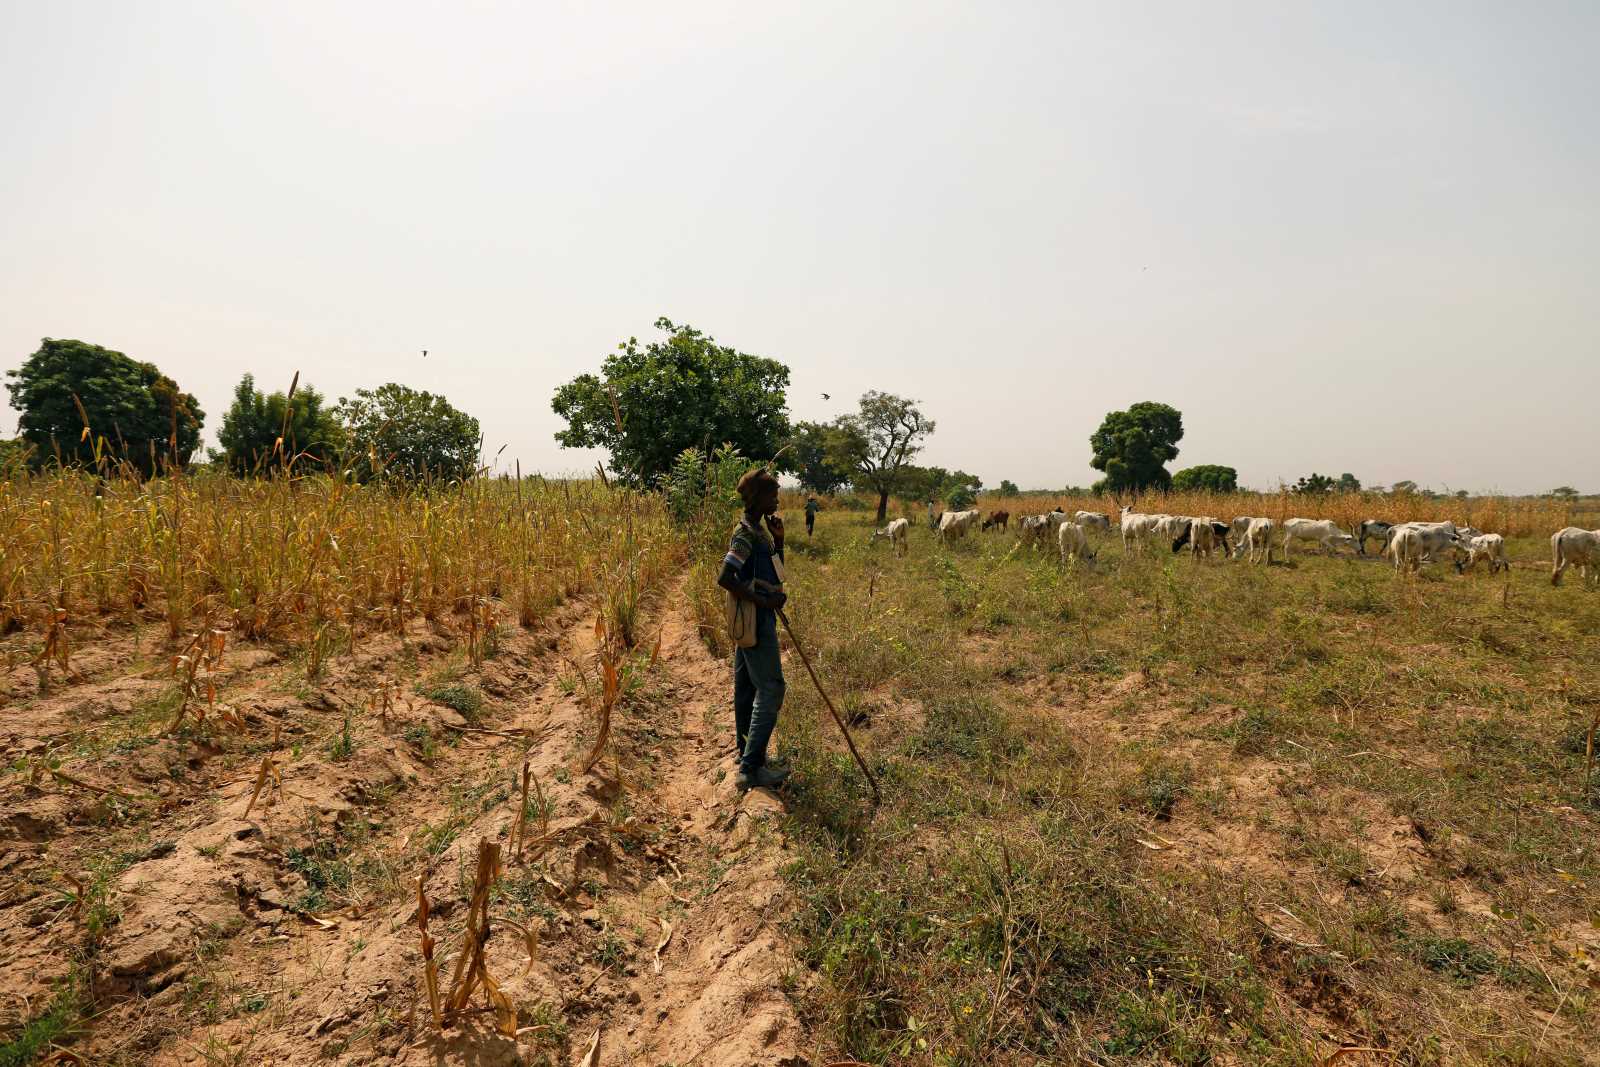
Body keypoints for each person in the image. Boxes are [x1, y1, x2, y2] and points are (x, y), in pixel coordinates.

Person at [717, 468, 790, 791]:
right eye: (772, 494)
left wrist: (779, 542)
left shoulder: (759, 531)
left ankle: (746, 753)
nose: (776, 499)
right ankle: (751, 767)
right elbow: (726, 577)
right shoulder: (745, 533)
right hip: (755, 619)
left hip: (754, 616)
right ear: (757, 498)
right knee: (772, 687)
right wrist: (764, 602)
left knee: (746, 687)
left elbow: (775, 573)